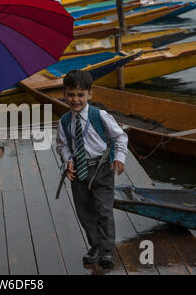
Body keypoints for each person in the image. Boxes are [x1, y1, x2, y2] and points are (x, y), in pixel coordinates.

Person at [56, 70, 128, 269]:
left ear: (90, 94)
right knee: (85, 211)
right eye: (71, 94)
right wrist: (68, 160)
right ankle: (95, 245)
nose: (75, 99)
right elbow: (62, 145)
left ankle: (106, 252)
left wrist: (119, 158)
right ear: (64, 94)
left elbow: (120, 137)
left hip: (102, 169)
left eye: (80, 95)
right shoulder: (64, 121)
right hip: (79, 172)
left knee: (104, 210)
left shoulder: (100, 115)